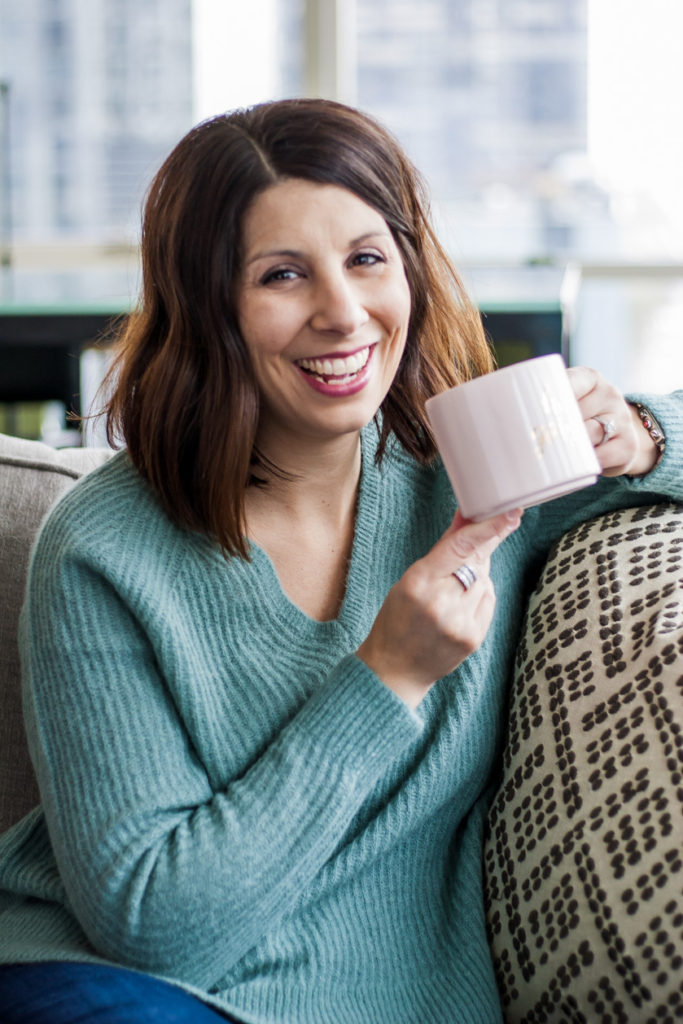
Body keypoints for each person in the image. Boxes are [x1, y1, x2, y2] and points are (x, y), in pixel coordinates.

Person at [0, 98, 680, 1024]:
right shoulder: (101, 550)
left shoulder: (474, 472)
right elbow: (155, 929)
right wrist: (386, 677)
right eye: (282, 274)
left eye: (367, 259)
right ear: (210, 307)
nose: (343, 312)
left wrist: (642, 432)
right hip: (122, 991)